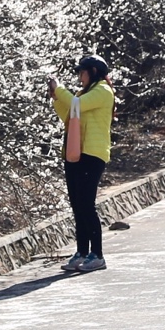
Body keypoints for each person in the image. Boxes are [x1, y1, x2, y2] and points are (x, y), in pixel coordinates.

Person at [49, 54, 115, 272]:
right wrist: (56, 98)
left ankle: (97, 254)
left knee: (87, 204)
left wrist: (60, 89)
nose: (79, 76)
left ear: (94, 72)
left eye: (82, 71)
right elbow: (68, 114)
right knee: (77, 205)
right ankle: (82, 252)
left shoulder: (103, 91)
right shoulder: (82, 94)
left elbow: (76, 105)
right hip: (75, 152)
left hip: (92, 153)